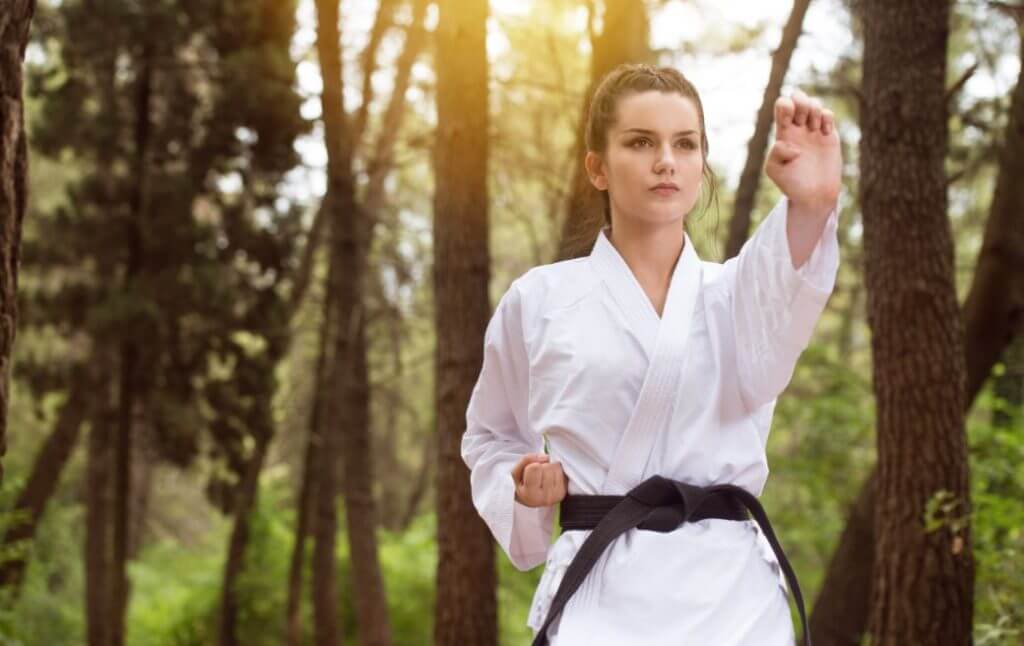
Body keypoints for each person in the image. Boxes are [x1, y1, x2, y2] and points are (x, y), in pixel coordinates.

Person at [461, 63, 841, 645]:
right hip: (602, 592)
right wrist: (520, 480)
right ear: (597, 167)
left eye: (684, 144)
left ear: (700, 164)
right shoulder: (539, 300)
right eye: (641, 142)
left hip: (733, 602)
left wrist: (812, 205)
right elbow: (490, 436)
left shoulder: (737, 293)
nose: (666, 160)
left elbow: (787, 274)